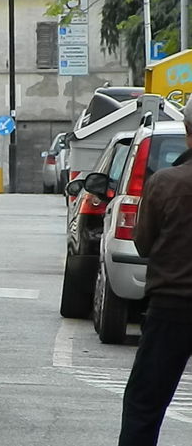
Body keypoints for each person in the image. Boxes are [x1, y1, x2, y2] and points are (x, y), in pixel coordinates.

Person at [118, 100, 192, 445]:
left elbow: (143, 244)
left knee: (144, 403)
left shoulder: (165, 183)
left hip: (172, 306)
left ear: (187, 133)